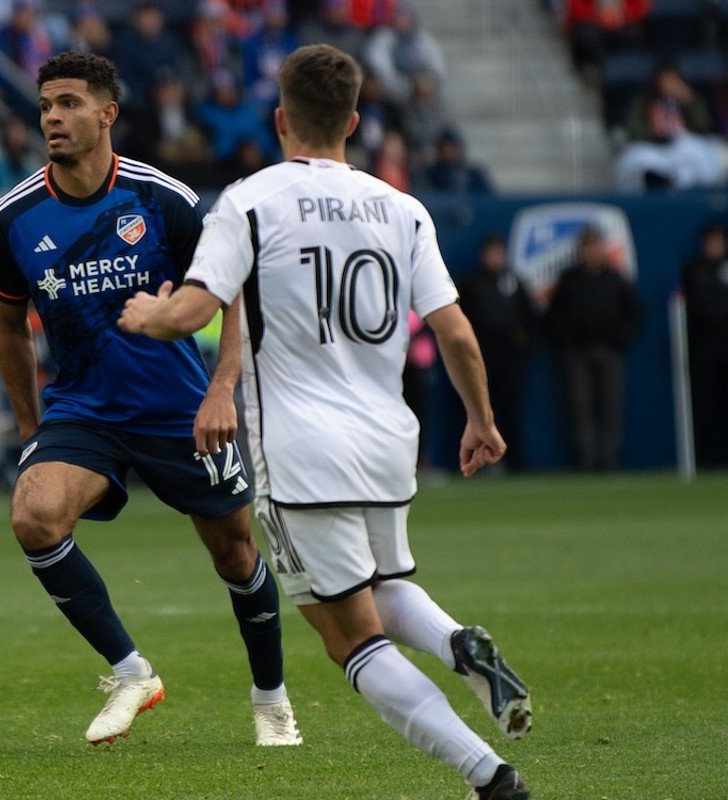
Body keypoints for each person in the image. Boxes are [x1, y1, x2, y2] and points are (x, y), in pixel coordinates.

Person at [118, 45, 532, 800]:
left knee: (350, 637)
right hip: (386, 442)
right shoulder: (402, 207)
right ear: (354, 122)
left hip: (301, 450)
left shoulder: (248, 201)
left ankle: (490, 776)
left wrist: (149, 314)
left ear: (280, 120)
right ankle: (457, 643)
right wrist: (481, 419)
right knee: (383, 583)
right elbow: (458, 333)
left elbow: (192, 311)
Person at [0, 52, 299, 748]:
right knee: (34, 517)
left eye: (68, 103)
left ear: (107, 114)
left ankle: (271, 698)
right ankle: (132, 672)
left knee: (235, 554)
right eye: (44, 106)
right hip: (83, 410)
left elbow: (233, 289)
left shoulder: (165, 201)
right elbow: (6, 321)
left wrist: (223, 389)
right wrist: (32, 426)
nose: (52, 118)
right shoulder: (14, 218)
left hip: (178, 410)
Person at [546, 226, 642, 471]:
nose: (591, 251)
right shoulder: (569, 279)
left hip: (609, 350)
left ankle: (609, 459)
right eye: (586, 246)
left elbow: (634, 313)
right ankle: (587, 459)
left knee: (611, 405)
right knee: (581, 406)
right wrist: (568, 340)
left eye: (595, 245)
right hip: (577, 352)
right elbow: (554, 316)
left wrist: (619, 338)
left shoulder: (614, 278)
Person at [458, 236, 535, 470]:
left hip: (510, 354)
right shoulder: (472, 283)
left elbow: (529, 316)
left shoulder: (513, 281)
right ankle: (482, 461)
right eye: (492, 253)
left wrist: (523, 343)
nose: (496, 258)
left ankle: (515, 460)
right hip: (482, 354)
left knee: (512, 408)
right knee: (482, 407)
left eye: (499, 253)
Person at [681, 222, 728, 469]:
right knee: (706, 407)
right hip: (706, 349)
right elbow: (701, 309)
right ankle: (708, 461)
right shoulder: (695, 270)